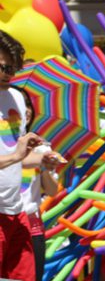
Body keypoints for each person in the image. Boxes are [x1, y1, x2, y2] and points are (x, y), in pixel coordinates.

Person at [0, 30, 55, 281]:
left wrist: (41, 159)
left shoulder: (16, 99)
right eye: (2, 67)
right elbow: (13, 155)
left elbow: (15, 153)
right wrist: (16, 156)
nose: (8, 75)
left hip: (16, 210)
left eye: (12, 68)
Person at [11, 85, 59, 279]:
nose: (27, 109)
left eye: (28, 104)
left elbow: (53, 190)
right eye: (22, 104)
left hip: (32, 228)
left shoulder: (42, 148)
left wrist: (45, 166)